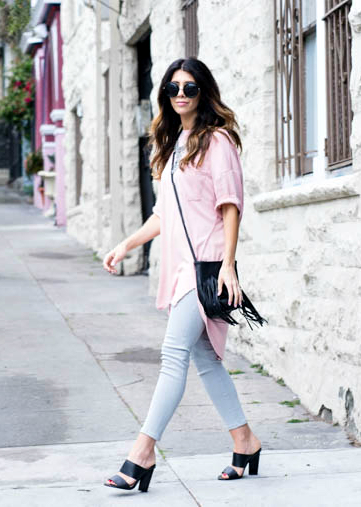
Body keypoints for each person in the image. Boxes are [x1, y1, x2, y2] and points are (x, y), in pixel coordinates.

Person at [102, 58, 262, 493]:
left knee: (173, 354)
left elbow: (230, 204)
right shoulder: (174, 145)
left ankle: (142, 452)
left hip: (206, 267)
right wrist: (126, 245)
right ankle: (244, 441)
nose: (180, 96)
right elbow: (164, 214)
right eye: (173, 88)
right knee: (205, 360)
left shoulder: (217, 141)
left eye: (189, 88)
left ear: (202, 92)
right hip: (179, 269)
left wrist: (228, 264)